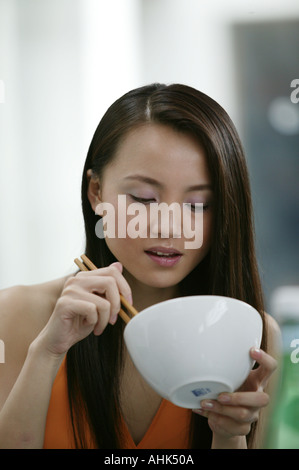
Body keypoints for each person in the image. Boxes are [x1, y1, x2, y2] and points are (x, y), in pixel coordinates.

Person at [0, 83, 279, 449]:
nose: (169, 225)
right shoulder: (16, 314)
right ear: (96, 193)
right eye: (144, 198)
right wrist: (48, 354)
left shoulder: (252, 333)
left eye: (197, 205)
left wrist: (229, 435)